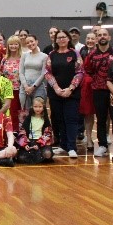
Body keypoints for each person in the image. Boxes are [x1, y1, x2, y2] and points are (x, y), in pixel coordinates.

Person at [44, 30, 83, 158]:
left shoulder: (74, 53)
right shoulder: (52, 54)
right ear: (55, 40)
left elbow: (79, 72)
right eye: (59, 38)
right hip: (56, 93)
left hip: (72, 93)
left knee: (71, 119)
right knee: (59, 119)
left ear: (68, 39)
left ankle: (72, 147)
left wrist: (70, 89)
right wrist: (56, 88)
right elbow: (47, 72)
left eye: (63, 37)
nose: (61, 39)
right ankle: (63, 145)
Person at [83, 27, 113, 157]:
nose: (102, 37)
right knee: (101, 119)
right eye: (99, 35)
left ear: (109, 37)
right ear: (96, 39)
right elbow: (88, 70)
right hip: (98, 90)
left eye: (105, 35)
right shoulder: (91, 55)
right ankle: (102, 145)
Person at [16, 97, 53, 164]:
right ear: (32, 107)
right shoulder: (28, 118)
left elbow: (48, 134)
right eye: (35, 106)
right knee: (21, 158)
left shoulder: (45, 119)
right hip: (29, 141)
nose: (37, 109)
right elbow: (22, 131)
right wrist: (25, 144)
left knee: (47, 154)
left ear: (43, 107)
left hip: (41, 143)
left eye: (40, 107)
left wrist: (39, 144)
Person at [19, 35, 47, 116]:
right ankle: (26, 129)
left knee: (38, 112)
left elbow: (43, 74)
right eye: (27, 42)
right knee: (25, 112)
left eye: (32, 41)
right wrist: (25, 86)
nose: (30, 44)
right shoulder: (24, 55)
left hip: (38, 87)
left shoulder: (44, 56)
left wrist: (33, 87)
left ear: (36, 41)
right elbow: (21, 72)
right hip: (25, 87)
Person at [1, 35, 23, 130]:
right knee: (10, 112)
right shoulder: (4, 59)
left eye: (16, 44)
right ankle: (11, 131)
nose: (13, 46)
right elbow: (1, 74)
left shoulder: (23, 58)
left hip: (20, 89)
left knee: (20, 112)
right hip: (7, 90)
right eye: (11, 44)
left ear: (19, 45)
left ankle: (20, 134)